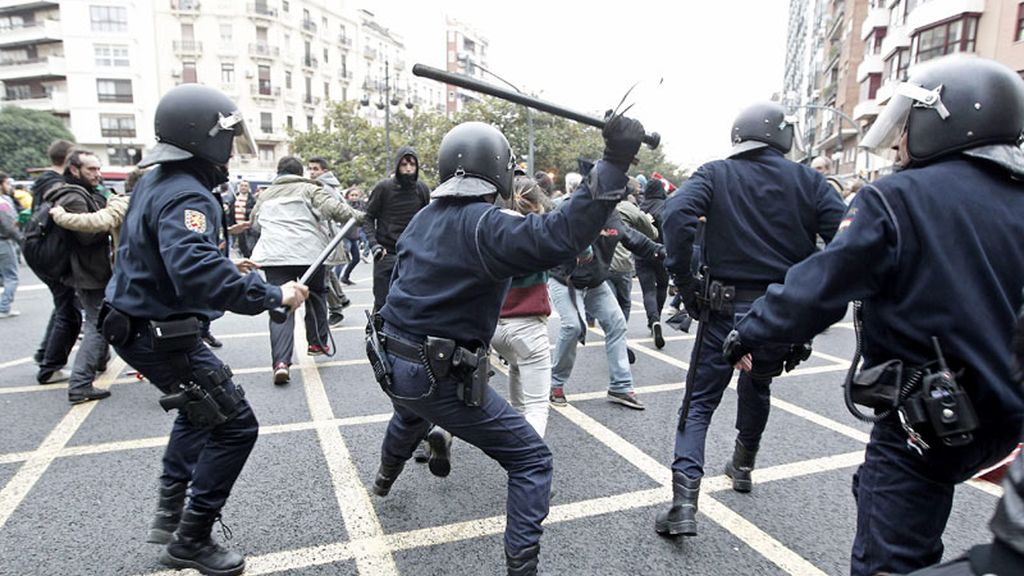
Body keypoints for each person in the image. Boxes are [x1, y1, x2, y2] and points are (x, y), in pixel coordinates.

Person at [721, 56, 1024, 576]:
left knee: (889, 558)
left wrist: (749, 332)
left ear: (945, 119)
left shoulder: (899, 197)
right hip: (1007, 421)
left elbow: (822, 285)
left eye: (908, 124)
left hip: (927, 420)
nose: (901, 139)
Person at [369, 117, 647, 575]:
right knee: (532, 460)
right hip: (435, 372)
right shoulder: (487, 225)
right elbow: (561, 235)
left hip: (392, 362)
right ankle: (522, 568)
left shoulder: (420, 221)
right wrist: (615, 161)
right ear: (499, 171)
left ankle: (384, 478)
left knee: (410, 412)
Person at [103, 83, 309, 576]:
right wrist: (273, 295)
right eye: (228, 139)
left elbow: (163, 256)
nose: (232, 151)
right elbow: (193, 269)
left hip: (138, 322)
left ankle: (171, 510)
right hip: (158, 331)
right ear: (204, 137)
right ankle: (191, 539)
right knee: (236, 425)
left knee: (200, 411)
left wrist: (227, 266)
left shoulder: (156, 181)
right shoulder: (186, 193)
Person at [655, 101, 845, 537]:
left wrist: (685, 283)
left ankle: (684, 503)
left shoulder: (716, 173)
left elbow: (677, 214)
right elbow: (846, 243)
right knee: (758, 385)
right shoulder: (811, 181)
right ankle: (742, 466)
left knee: (699, 403)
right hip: (781, 312)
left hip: (723, 307)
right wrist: (808, 298)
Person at [547, 162, 664, 411]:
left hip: (595, 283)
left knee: (617, 323)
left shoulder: (612, 214)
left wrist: (662, 252)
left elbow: (633, 239)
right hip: (565, 281)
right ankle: (555, 384)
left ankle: (621, 386)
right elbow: (548, 235)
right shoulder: (569, 208)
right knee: (572, 326)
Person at [250, 156, 363, 384]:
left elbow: (255, 224)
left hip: (275, 255)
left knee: (280, 304)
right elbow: (338, 210)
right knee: (316, 295)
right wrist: (364, 216)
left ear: (279, 172)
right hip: (309, 254)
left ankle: (281, 363)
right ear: (299, 173)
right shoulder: (310, 189)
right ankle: (317, 343)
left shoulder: (265, 195)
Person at [489, 176, 555, 437]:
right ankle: (528, 456)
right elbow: (582, 253)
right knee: (537, 407)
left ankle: (517, 428)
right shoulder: (539, 230)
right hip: (528, 327)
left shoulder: (491, 228)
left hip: (495, 327)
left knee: (518, 368)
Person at [50, 150, 117, 404]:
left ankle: (99, 361)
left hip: (89, 270)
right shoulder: (73, 196)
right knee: (96, 325)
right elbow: (86, 235)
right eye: (91, 169)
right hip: (89, 272)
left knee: (99, 321)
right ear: (74, 170)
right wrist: (109, 220)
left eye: (98, 169)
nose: (97, 174)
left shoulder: (79, 192)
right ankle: (80, 383)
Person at [31, 139, 79, 384]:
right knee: (68, 311)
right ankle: (50, 366)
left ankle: (45, 355)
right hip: (52, 254)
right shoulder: (58, 185)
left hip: (41, 251)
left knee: (63, 306)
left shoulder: (43, 182)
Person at [363, 146, 431, 312]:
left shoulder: (422, 189)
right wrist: (374, 245)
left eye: (412, 164)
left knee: (411, 303)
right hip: (386, 254)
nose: (408, 169)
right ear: (397, 165)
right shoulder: (383, 188)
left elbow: (427, 221)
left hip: (411, 255)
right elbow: (368, 217)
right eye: (404, 164)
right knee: (381, 304)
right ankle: (376, 328)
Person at [306, 156, 353, 326]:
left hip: (327, 236)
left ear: (324, 171)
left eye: (315, 169)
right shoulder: (328, 185)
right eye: (310, 168)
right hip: (329, 235)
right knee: (327, 271)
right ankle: (341, 298)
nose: (312, 172)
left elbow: (327, 212)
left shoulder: (324, 188)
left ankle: (336, 310)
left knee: (321, 274)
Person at [637, 177, 671, 348]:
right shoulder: (666, 206)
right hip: (662, 252)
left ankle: (653, 320)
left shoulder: (640, 207)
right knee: (662, 286)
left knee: (648, 290)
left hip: (642, 252)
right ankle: (657, 315)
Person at [0, 172, 22, 319]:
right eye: (7, 183)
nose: (10, 187)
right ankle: (4, 307)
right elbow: (9, 226)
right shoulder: (2, 203)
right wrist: (21, 239)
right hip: (4, 242)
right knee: (11, 277)